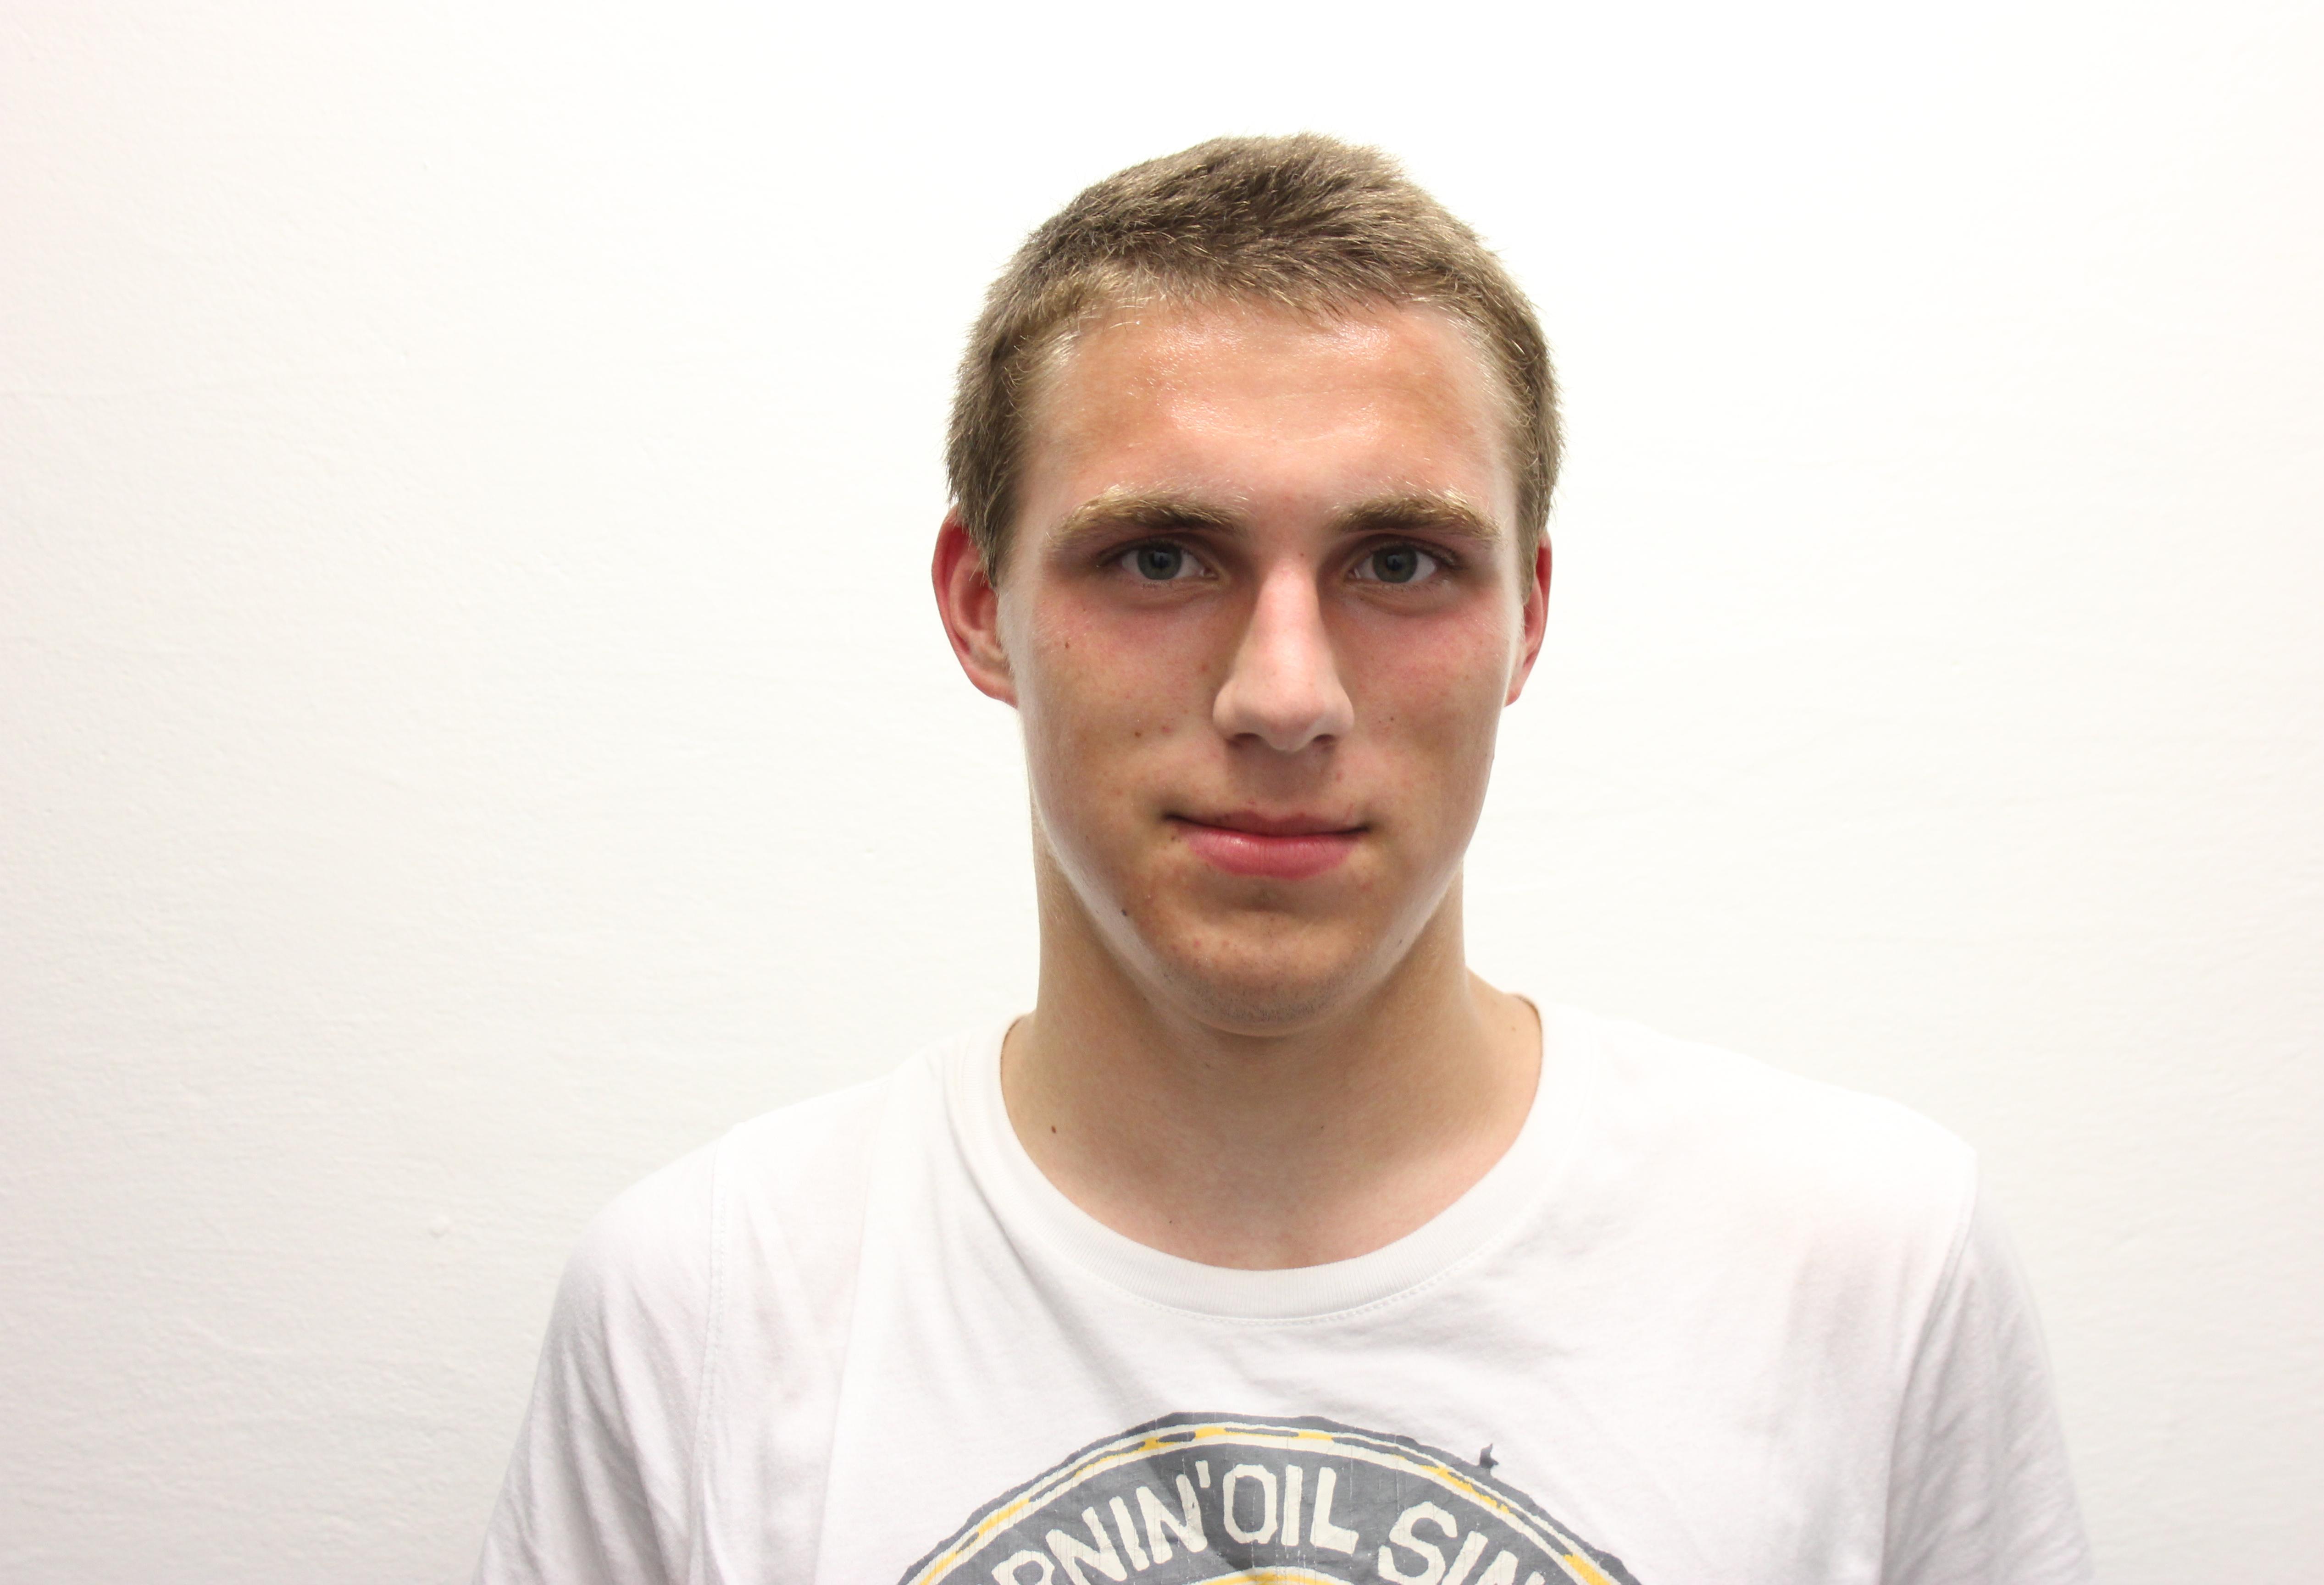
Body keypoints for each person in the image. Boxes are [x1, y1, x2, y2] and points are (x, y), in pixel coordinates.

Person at [474, 135, 2091, 1585]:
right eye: (1158, 557)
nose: (1286, 696)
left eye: (1400, 563)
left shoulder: (1861, 1270)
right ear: (980, 606)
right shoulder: (710, 1308)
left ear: (1528, 617)